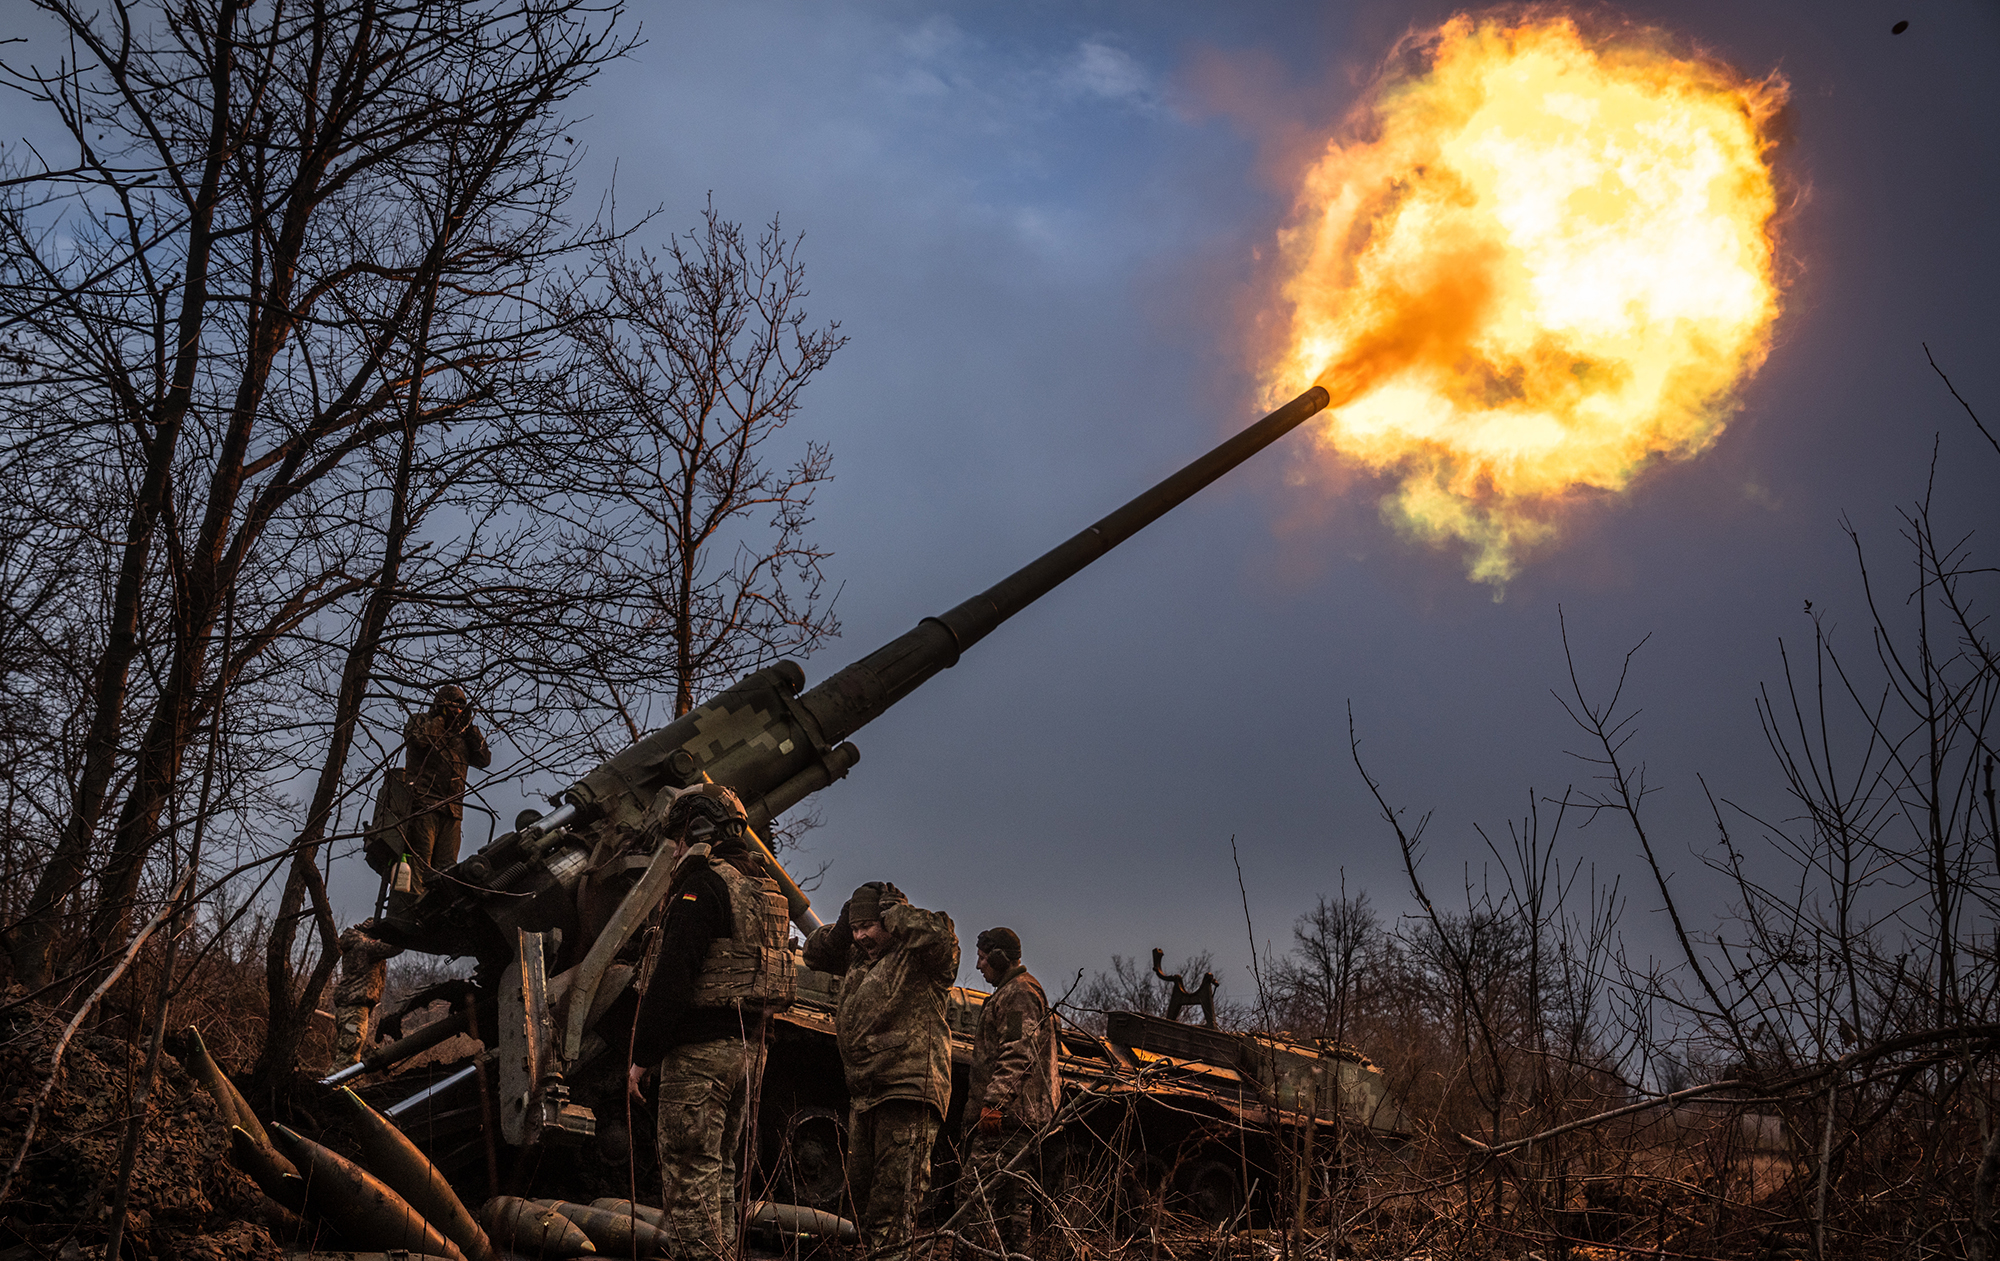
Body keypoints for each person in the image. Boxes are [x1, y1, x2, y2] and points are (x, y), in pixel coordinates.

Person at [626, 784, 791, 1261]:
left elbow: (673, 976)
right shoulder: (766, 889)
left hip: (700, 1055)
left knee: (688, 1174)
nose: (675, 849)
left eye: (678, 837)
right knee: (719, 1172)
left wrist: (642, 1057)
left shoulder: (704, 884)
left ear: (699, 829)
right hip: (750, 1050)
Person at [803, 882, 958, 1261]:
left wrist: (895, 912)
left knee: (894, 1206)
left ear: (888, 920)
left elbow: (943, 939)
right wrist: (843, 928)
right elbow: (813, 956)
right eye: (856, 929)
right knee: (862, 1203)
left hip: (907, 1090)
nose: (861, 936)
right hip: (866, 1093)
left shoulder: (920, 956)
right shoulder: (857, 957)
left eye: (868, 926)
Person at [961, 927, 1059, 1257]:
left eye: (983, 958)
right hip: (1017, 1118)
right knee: (1014, 1210)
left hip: (1008, 1121)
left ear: (1001, 958)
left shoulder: (1018, 994)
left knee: (975, 1197)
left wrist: (994, 1104)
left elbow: (1018, 1050)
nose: (979, 967)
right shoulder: (1014, 991)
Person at [400, 684, 491, 882]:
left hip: (453, 811)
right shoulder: (422, 721)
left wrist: (470, 729)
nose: (457, 711)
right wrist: (441, 718)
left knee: (447, 872)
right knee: (419, 866)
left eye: (461, 707)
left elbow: (484, 759)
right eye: (453, 706)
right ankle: (411, 908)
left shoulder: (462, 736)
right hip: (424, 805)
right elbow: (420, 740)